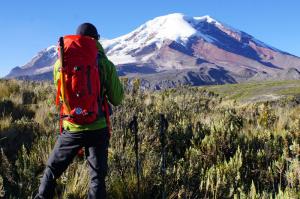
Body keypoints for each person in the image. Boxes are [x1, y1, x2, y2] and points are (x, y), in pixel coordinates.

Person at [35, 23, 124, 199]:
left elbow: (61, 95)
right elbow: (117, 99)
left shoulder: (59, 64)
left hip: (72, 127)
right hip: (97, 127)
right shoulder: (105, 64)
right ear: (97, 40)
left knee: (52, 169)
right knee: (97, 178)